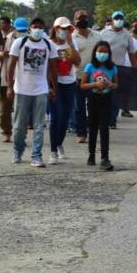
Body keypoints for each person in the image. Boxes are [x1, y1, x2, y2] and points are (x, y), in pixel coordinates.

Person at [7, 18, 59, 167]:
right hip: (22, 90)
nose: (38, 30)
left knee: (39, 125)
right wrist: (10, 87)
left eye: (40, 27)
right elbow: (11, 66)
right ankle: (17, 149)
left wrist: (54, 87)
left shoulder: (49, 45)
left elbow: (53, 68)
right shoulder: (20, 43)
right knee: (19, 125)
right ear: (30, 28)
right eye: (35, 27)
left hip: (41, 90)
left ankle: (37, 156)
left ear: (44, 29)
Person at [47, 17, 81, 165]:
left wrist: (71, 44)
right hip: (55, 84)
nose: (64, 31)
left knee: (65, 118)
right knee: (55, 117)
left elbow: (78, 62)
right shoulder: (49, 44)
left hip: (69, 83)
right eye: (62, 28)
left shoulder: (71, 44)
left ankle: (59, 144)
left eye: (67, 29)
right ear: (55, 29)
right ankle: (53, 150)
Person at [81, 41, 118, 171]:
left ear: (109, 53)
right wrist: (95, 85)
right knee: (92, 126)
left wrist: (109, 84)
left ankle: (105, 157)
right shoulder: (90, 67)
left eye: (105, 52)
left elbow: (116, 85)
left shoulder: (112, 68)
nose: (102, 54)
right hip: (93, 98)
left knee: (104, 127)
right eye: (100, 51)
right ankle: (91, 155)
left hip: (106, 98)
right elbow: (83, 85)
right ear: (95, 53)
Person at [100, 11, 137, 127]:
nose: (119, 20)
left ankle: (112, 120)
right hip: (104, 68)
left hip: (119, 68)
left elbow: (131, 53)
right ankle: (103, 118)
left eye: (121, 18)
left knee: (116, 95)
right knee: (103, 93)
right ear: (112, 20)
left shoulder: (127, 35)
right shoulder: (104, 33)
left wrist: (134, 69)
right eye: (116, 18)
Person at [72, 10, 101, 143]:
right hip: (77, 76)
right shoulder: (71, 38)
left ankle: (93, 131)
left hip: (94, 77)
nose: (82, 20)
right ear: (74, 21)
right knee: (79, 107)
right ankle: (81, 132)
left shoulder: (97, 36)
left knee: (94, 106)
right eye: (79, 18)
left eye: (84, 17)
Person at [0, 18, 28, 142]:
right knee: (5, 109)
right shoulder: (5, 38)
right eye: (19, 29)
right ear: (14, 28)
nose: (21, 32)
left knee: (22, 110)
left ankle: (21, 135)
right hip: (7, 77)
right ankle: (6, 131)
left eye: (24, 30)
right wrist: (0, 54)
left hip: (24, 78)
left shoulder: (32, 39)